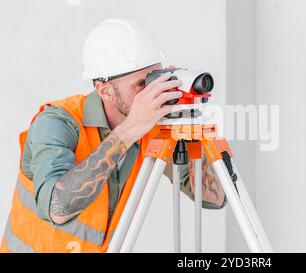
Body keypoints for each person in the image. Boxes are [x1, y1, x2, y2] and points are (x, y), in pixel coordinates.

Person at [1, 18, 226, 253]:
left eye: (155, 78)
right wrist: (130, 130)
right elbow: (56, 209)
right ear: (105, 91)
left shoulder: (154, 130)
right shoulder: (57, 122)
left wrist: (186, 125)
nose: (150, 92)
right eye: (141, 84)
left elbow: (214, 198)